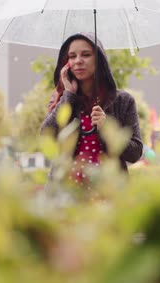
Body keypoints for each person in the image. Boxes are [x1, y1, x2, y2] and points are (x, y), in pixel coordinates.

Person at [41, 33, 143, 187]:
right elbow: (46, 137)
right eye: (72, 56)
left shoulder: (123, 101)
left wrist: (107, 128)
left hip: (109, 194)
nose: (78, 61)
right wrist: (69, 95)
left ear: (99, 60)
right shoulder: (62, 99)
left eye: (86, 55)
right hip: (66, 196)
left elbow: (135, 154)